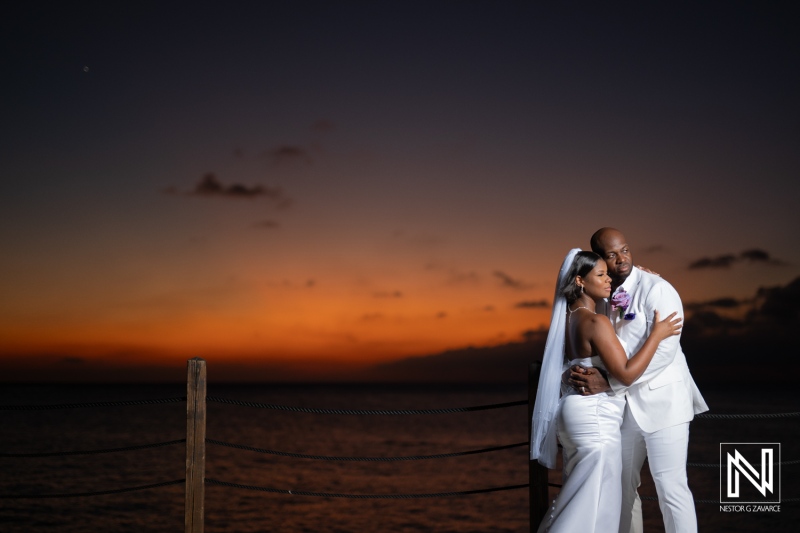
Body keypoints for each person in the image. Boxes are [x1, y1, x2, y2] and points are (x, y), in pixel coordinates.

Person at [531, 248, 682, 533]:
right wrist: (657, 335)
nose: (608, 279)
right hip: (595, 418)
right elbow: (625, 374)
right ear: (579, 280)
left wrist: (639, 281)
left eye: (608, 273)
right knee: (591, 504)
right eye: (600, 275)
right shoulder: (596, 322)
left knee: (584, 497)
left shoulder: (568, 319)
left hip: (575, 413)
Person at [568, 228, 709, 533]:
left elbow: (665, 353)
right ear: (598, 259)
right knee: (622, 488)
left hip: (664, 404)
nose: (621, 260)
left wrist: (611, 383)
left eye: (626, 251)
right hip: (622, 411)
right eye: (611, 255)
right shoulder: (601, 292)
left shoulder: (658, 289)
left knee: (671, 489)